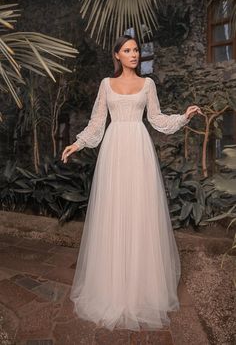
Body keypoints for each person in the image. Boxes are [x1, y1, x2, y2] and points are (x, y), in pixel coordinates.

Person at [61, 34, 202, 332]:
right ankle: (112, 289)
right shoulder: (105, 84)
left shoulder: (147, 85)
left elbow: (157, 119)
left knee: (140, 214)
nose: (134, 54)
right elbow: (97, 122)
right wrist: (77, 144)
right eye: (127, 50)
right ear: (117, 55)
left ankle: (141, 291)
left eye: (136, 49)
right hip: (113, 151)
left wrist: (183, 117)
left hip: (139, 149)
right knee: (113, 213)